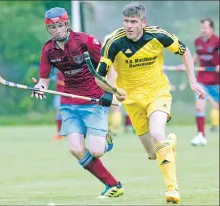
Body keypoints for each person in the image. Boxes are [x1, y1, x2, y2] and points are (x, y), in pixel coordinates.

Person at [94, 3, 206, 204]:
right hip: (132, 102)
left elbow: (185, 51)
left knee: (157, 132)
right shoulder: (113, 43)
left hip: (158, 94)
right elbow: (98, 78)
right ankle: (169, 144)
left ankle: (172, 189)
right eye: (126, 21)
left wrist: (193, 80)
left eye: (133, 22)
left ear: (143, 22)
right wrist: (114, 91)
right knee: (153, 154)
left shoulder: (158, 36)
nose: (129, 26)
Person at [30, 7, 124, 198]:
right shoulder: (48, 49)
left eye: (60, 25)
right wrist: (40, 86)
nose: (57, 30)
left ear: (67, 24)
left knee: (96, 151)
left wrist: (109, 91)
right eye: (52, 27)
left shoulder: (85, 41)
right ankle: (112, 184)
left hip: (93, 99)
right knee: (76, 149)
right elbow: (44, 79)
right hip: (69, 102)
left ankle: (105, 138)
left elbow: (110, 67)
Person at [189, 18, 219, 146]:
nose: (202, 30)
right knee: (199, 106)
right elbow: (196, 56)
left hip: (216, 82)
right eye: (201, 28)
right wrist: (187, 64)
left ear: (211, 29)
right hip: (201, 81)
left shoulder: (218, 41)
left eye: (205, 28)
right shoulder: (198, 41)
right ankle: (201, 135)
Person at [51, 68, 65, 141]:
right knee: (58, 115)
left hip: (68, 94)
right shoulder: (56, 71)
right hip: (59, 94)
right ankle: (59, 134)